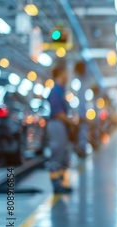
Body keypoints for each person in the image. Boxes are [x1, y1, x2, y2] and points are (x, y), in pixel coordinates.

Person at [47, 64, 73, 194]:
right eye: (66, 72)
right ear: (61, 73)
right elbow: (58, 112)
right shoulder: (55, 91)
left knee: (63, 155)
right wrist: (71, 121)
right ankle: (56, 185)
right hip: (57, 124)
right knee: (57, 154)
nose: (68, 76)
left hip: (61, 125)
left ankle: (61, 182)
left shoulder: (61, 90)